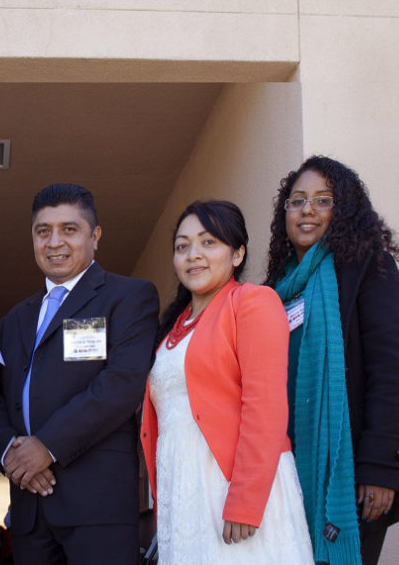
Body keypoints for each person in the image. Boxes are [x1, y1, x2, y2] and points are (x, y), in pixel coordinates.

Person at [265, 156, 399, 564]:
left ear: (344, 210)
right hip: (293, 468)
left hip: (355, 469)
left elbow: (390, 373)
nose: (307, 211)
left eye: (323, 200)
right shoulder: (277, 290)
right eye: (297, 201)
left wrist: (379, 468)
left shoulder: (370, 269)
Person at [0, 183, 159, 565]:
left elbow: (120, 386)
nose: (54, 242)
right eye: (42, 231)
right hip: (30, 506)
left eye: (69, 229)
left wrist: (45, 447)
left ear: (94, 237)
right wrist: (12, 456)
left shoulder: (128, 297)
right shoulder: (15, 318)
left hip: (97, 505)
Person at [140, 200, 314, 563]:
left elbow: (265, 408)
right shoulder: (173, 327)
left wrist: (246, 502)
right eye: (182, 246)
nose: (193, 255)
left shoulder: (253, 303)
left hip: (232, 490)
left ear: (237, 255)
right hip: (184, 491)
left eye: (208, 242)